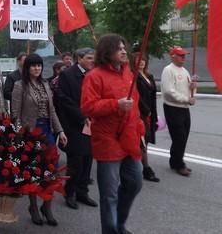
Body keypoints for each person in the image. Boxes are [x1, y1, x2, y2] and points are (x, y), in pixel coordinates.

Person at [81, 34, 144, 234]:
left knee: (135, 182)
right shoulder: (94, 76)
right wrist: (115, 104)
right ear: (108, 52)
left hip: (129, 138)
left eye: (124, 47)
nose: (124, 51)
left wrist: (140, 128)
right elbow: (88, 107)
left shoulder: (128, 74)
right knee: (109, 194)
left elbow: (135, 108)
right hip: (107, 140)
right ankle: (111, 230)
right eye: (119, 48)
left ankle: (119, 223)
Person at [11, 53, 67, 226]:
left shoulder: (46, 84)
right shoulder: (20, 86)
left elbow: (52, 111)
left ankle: (47, 206)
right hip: (31, 133)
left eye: (39, 65)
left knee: (52, 172)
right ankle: (34, 207)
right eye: (33, 65)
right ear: (27, 67)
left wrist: (60, 131)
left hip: (48, 131)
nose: (37, 68)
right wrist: (21, 133)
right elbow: (15, 113)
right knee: (33, 172)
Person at [56, 48, 98, 210]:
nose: (92, 61)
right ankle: (70, 192)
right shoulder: (67, 75)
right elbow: (64, 100)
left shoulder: (93, 74)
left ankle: (83, 192)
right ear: (79, 59)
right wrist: (82, 117)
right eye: (88, 58)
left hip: (92, 124)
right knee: (77, 162)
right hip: (75, 125)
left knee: (88, 160)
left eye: (92, 58)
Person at [160, 46, 196, 177]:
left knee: (184, 135)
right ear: (173, 56)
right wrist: (186, 99)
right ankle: (179, 164)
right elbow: (169, 91)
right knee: (179, 136)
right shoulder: (168, 70)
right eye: (181, 55)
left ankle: (175, 161)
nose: (183, 58)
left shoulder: (185, 71)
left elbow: (189, 88)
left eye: (184, 55)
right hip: (173, 108)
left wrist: (192, 88)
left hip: (184, 108)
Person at [131, 52, 160, 182]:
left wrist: (153, 113)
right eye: (138, 60)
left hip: (150, 112)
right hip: (140, 113)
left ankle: (141, 166)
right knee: (142, 140)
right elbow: (135, 95)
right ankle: (145, 168)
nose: (141, 62)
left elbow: (153, 96)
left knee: (145, 140)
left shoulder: (149, 76)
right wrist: (145, 110)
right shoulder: (133, 76)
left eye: (143, 59)